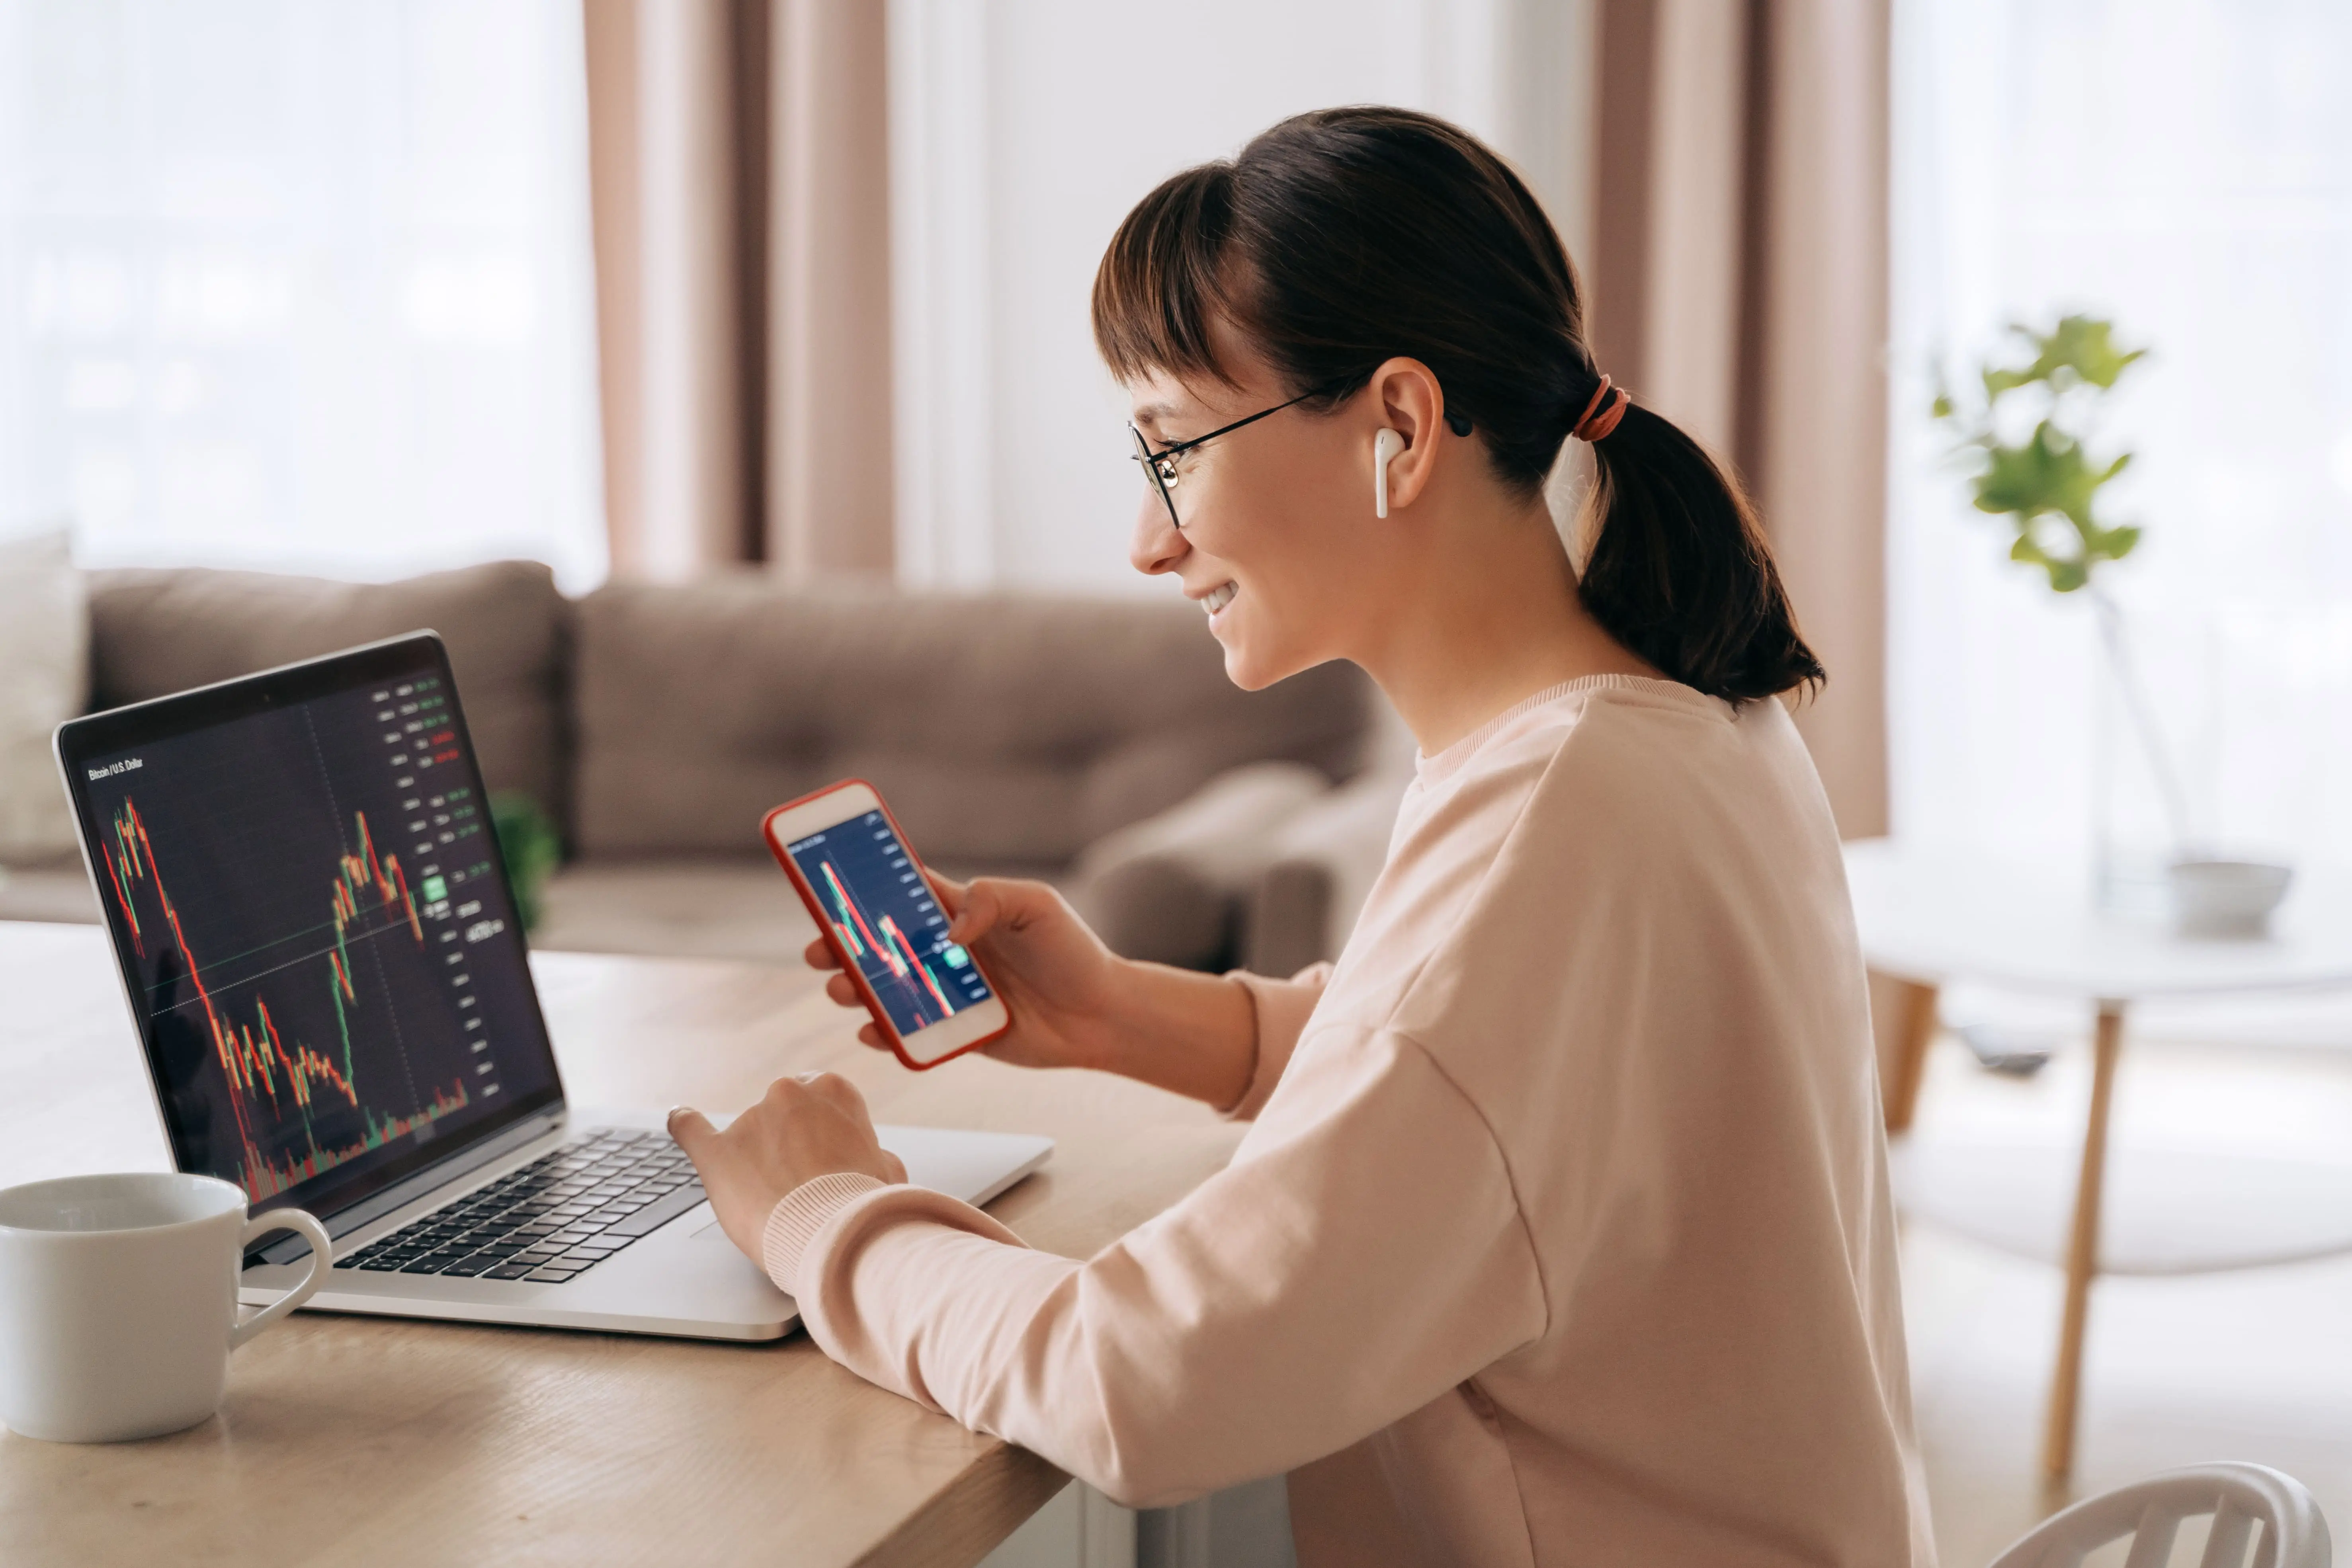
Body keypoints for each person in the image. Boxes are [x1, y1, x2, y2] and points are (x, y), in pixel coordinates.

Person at [669, 106, 1932, 1566]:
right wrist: (1123, 1017)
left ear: (1396, 428)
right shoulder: (1671, 723)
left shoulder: (1550, 826)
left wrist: (823, 1217)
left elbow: (1139, 1386)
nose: (1149, 543)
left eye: (1171, 454)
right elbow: (1498, 1099)